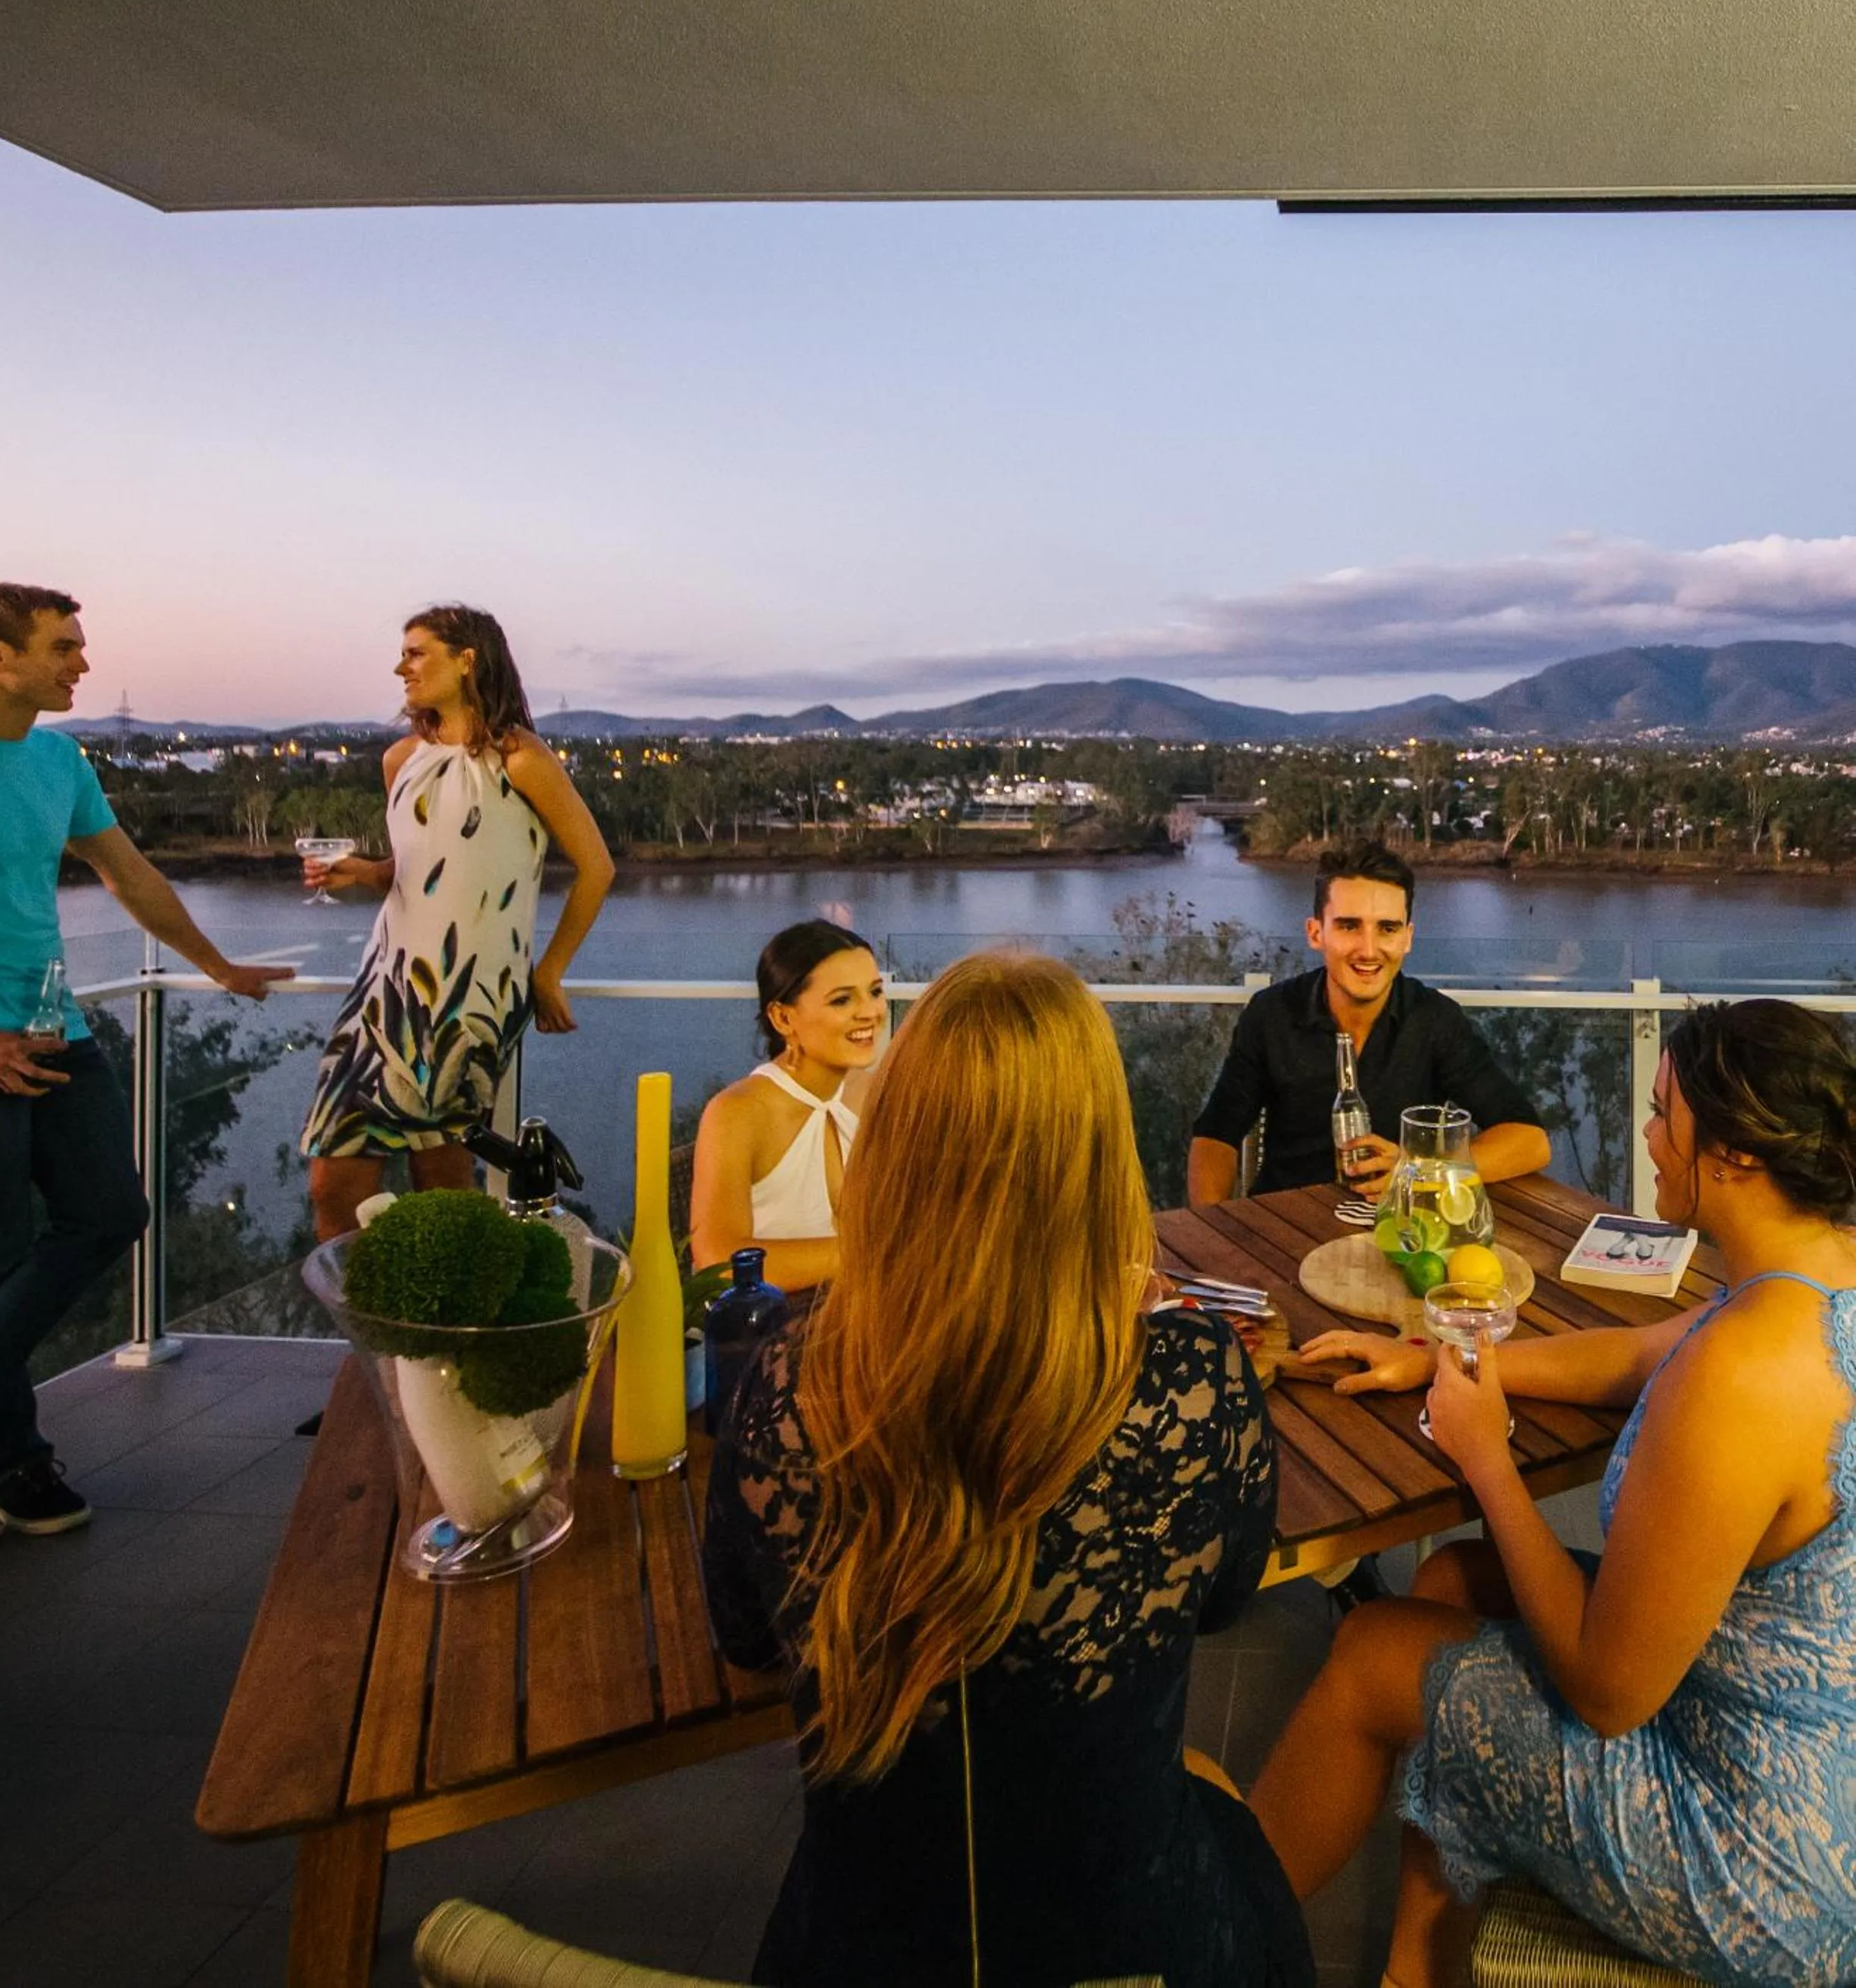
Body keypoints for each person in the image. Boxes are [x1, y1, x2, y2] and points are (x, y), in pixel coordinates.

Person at [704, 952, 1312, 1988]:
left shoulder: (783, 1384)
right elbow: (1220, 1597)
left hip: (855, 1953)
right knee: (1210, 1801)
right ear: (1091, 1152)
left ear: (897, 1139)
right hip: (1134, 1949)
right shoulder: (1190, 1380)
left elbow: (744, 1633)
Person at [1250, 998, 1856, 1988]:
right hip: (1800, 1746)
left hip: (1762, 1861)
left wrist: (1484, 1457)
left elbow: (1605, 1692)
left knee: (1369, 1654)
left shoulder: (1744, 1373)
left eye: (1662, 1114)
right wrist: (1432, 1354)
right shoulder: (1813, 1280)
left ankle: (1211, 1941)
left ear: (1738, 1153)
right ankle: (1420, 1967)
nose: (1647, 1136)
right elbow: (1637, 1351)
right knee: (1448, 1581)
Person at [0, 580, 293, 1545]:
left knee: (111, 1209)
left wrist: (217, 965)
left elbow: (129, 873)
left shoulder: (58, 758)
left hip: (48, 1030)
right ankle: (8, 1466)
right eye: (63, 646)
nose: (82, 662)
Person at [299, 604, 612, 1239]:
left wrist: (550, 971)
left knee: (440, 1189)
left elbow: (597, 867)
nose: (400, 667)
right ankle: (376, 1333)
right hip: (383, 991)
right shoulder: (400, 760)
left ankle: (439, 1338)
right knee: (333, 1188)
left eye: (416, 653)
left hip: (466, 996)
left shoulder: (520, 759)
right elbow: (419, 867)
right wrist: (362, 872)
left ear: (467, 658)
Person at [1189, 840, 1549, 1203]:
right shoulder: (1271, 1014)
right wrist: (1213, 1238)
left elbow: (1529, 1140)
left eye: (1387, 929)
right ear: (1317, 933)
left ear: (1408, 938)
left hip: (1400, 1231)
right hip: (1284, 1225)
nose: (1369, 949)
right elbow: (1215, 1137)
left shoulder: (1435, 1019)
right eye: (1349, 926)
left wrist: (1420, 1169)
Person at [688, 921, 885, 1292]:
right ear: (783, 1018)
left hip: (864, 1306)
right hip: (764, 1323)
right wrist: (874, 1253)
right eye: (843, 1000)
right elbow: (718, 1259)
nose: (870, 1012)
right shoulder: (737, 1113)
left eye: (874, 992)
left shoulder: (874, 1092)